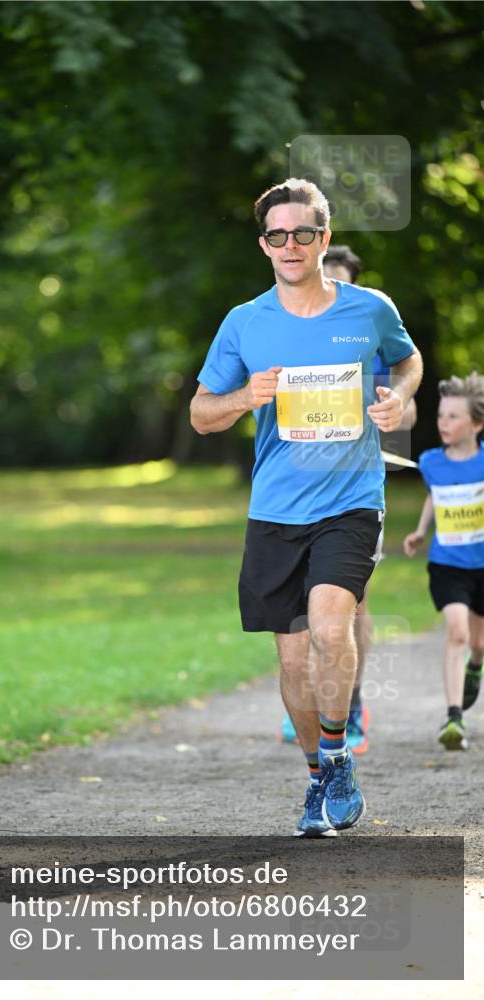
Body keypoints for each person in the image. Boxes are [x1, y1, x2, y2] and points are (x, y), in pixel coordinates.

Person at [190, 178, 423, 837]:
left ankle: (336, 749)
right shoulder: (244, 323)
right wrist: (244, 397)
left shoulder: (368, 310)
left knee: (328, 630)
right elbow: (201, 413)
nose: (289, 245)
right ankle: (323, 769)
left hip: (350, 502)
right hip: (275, 509)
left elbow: (408, 363)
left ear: (323, 238)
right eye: (276, 235)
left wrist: (397, 399)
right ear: (262, 244)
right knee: (292, 661)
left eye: (302, 233)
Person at [279, 244, 418, 754]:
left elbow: (408, 407)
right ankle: (310, 703)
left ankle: (350, 706)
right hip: (295, 494)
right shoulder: (286, 326)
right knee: (300, 605)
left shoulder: (367, 328)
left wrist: (392, 409)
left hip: (353, 489)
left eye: (334, 278)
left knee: (350, 602)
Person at [403, 372, 484, 749]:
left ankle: (476, 665)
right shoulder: (431, 462)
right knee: (457, 631)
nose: (443, 423)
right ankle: (454, 718)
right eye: (440, 416)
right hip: (447, 563)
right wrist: (421, 531)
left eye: (453, 416)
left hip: (481, 565)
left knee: (477, 643)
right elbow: (435, 497)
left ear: (477, 424)